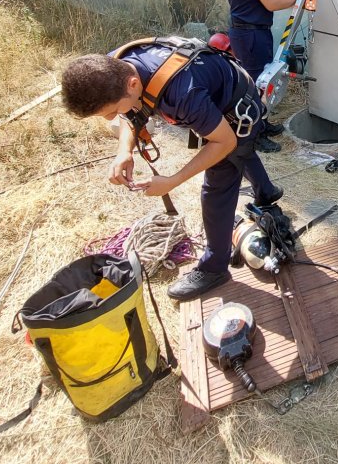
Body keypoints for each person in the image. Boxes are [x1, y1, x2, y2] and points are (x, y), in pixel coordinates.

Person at [61, 42, 283, 302]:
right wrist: (124, 151)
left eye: (111, 111)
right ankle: (266, 192)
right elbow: (130, 114)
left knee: (218, 184)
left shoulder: (181, 94)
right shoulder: (114, 65)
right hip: (218, 88)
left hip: (238, 110)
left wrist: (172, 181)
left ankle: (215, 267)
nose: (110, 118)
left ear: (133, 84)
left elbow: (225, 142)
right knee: (240, 154)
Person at [227, 0, 299, 153]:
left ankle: (263, 124)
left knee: (263, 81)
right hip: (249, 34)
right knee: (256, 84)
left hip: (255, 32)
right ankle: (254, 136)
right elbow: (271, 2)